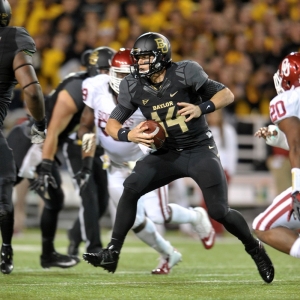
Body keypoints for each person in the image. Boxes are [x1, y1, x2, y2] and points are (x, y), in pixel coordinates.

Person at [82, 32, 275, 283]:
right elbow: (111, 124)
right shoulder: (133, 84)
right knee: (130, 188)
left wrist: (201, 107)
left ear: (161, 56)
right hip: (167, 153)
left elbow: (226, 94)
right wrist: (129, 135)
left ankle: (255, 248)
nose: (139, 64)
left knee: (219, 210)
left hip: (198, 149)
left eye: (145, 58)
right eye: (137, 58)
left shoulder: (184, 72)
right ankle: (113, 251)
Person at [78, 48, 215, 274]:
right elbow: (86, 127)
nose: (123, 80)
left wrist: (156, 143)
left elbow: (170, 127)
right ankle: (168, 253)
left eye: (127, 75)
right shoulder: (95, 87)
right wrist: (85, 162)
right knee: (133, 220)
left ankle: (195, 216)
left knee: (159, 214)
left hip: (144, 161)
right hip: (114, 165)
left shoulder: (144, 94)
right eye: (118, 75)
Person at [28, 47, 113, 268]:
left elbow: (91, 128)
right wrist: (46, 164)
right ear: (95, 70)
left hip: (89, 142)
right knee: (88, 195)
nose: (110, 74)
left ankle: (75, 235)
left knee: (102, 199)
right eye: (105, 69)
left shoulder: (104, 86)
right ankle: (93, 247)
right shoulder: (76, 90)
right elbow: (53, 131)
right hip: (62, 143)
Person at [0, 0, 46, 274]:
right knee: (3, 199)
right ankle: (6, 253)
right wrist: (39, 124)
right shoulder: (14, 37)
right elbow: (31, 90)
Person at [253, 52, 300, 262]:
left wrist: (297, 189)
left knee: (263, 226)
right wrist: (278, 137)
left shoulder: (287, 100)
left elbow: (297, 143)